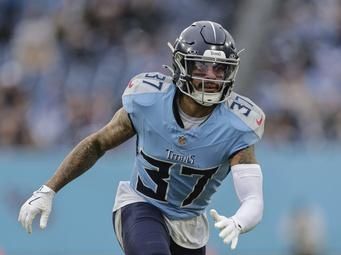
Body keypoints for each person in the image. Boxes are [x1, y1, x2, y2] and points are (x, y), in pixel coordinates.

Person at [18, 21, 265, 255]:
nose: (211, 76)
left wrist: (239, 222)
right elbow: (97, 143)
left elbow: (253, 198)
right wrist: (49, 189)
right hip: (142, 203)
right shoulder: (149, 100)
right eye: (201, 66)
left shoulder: (237, 124)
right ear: (182, 65)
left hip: (190, 223)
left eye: (220, 68)